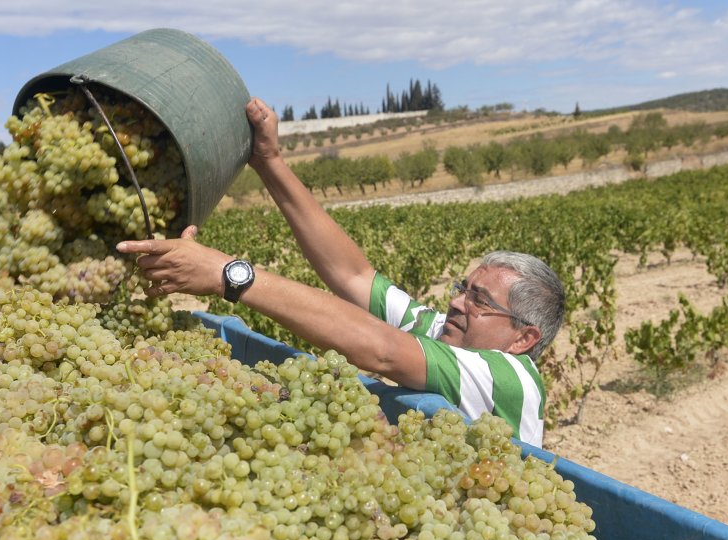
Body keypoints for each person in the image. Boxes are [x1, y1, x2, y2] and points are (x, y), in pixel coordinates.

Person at [117, 98, 565, 446]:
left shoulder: (510, 377)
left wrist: (229, 275)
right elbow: (355, 276)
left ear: (524, 338)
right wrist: (268, 161)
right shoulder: (440, 330)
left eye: (479, 301)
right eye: (463, 288)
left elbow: (383, 352)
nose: (455, 301)